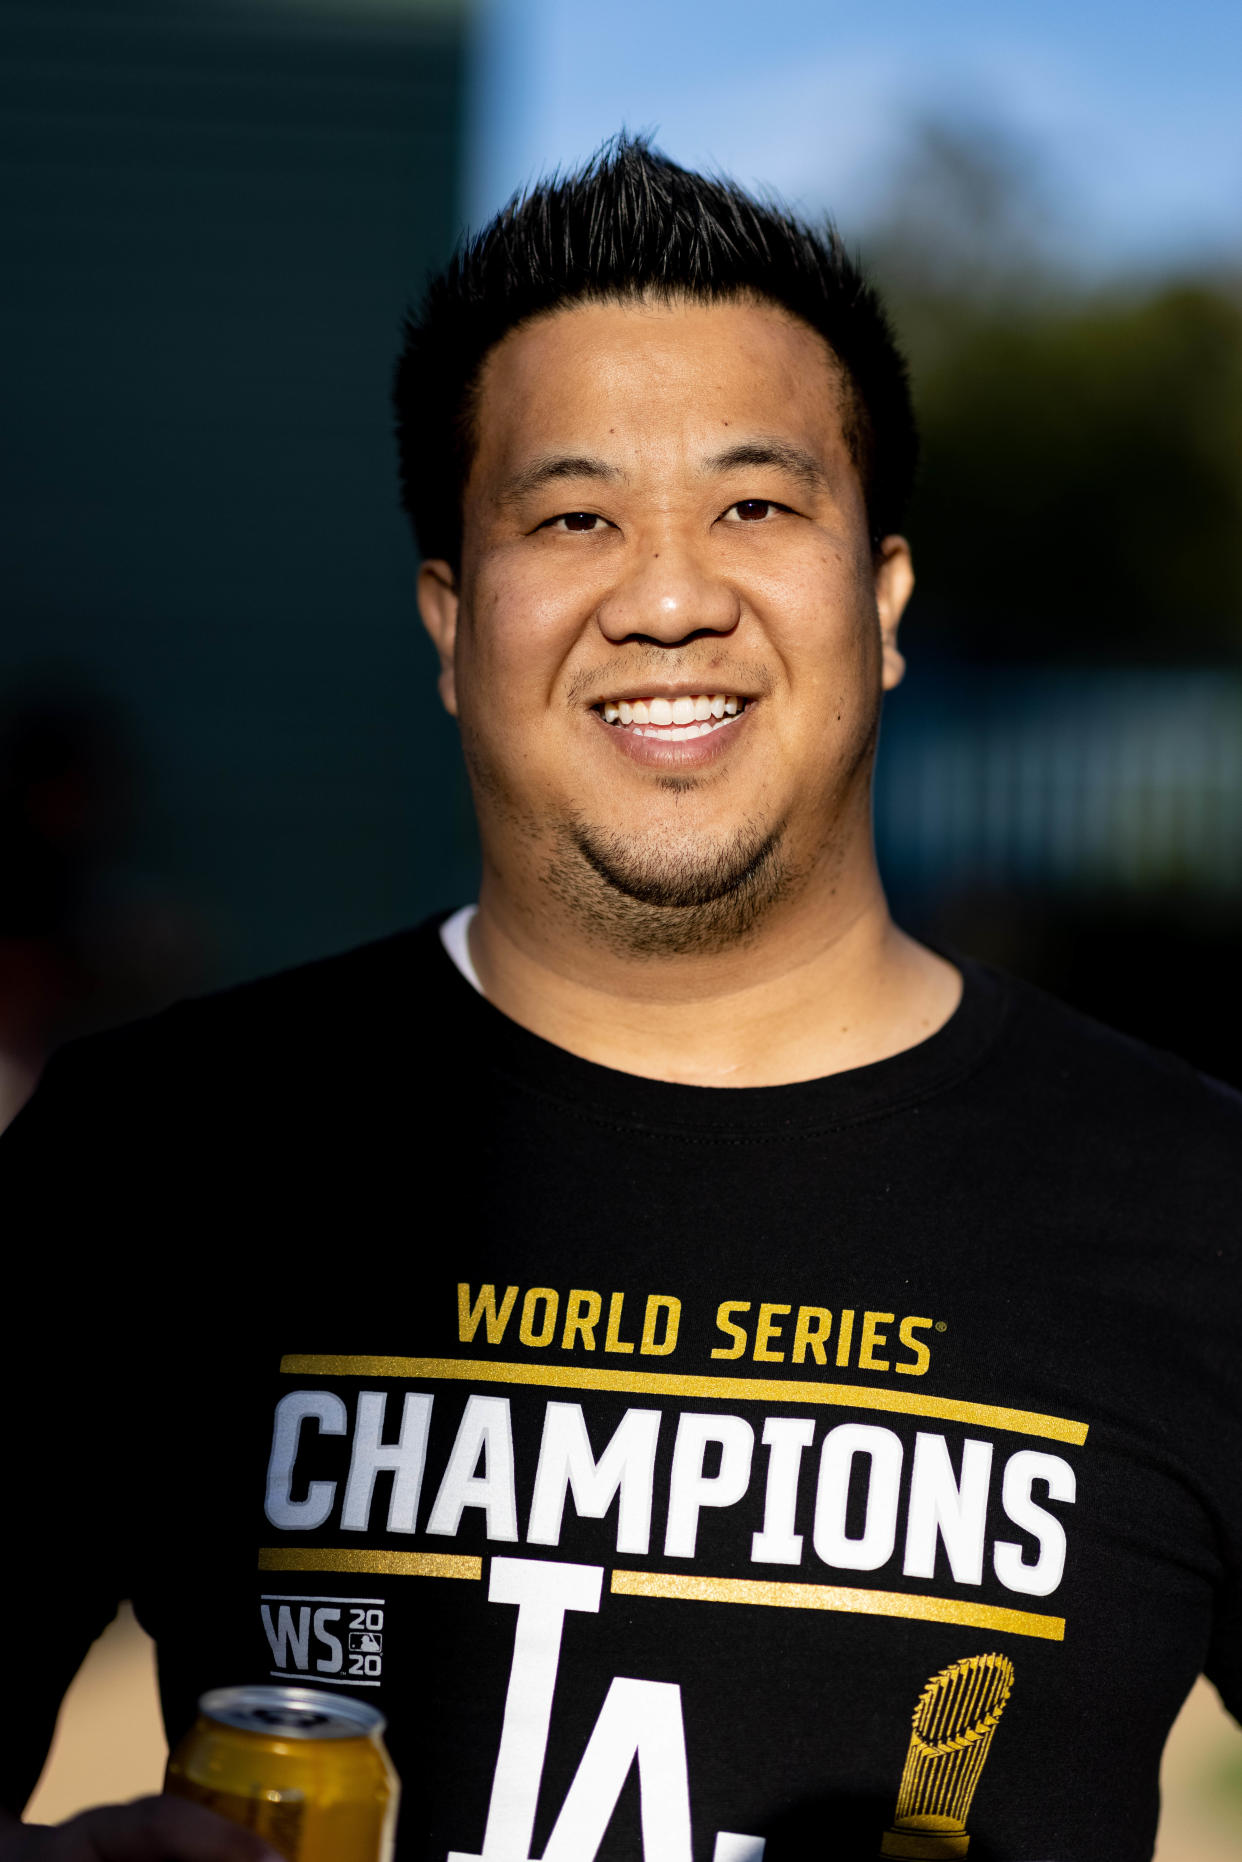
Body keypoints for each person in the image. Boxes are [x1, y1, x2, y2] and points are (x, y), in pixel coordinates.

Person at [2, 135, 1238, 1862]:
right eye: (572, 516)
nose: (665, 596)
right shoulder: (155, 1151)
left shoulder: (1198, 1206)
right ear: (451, 622)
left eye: (754, 503)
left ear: (880, 599)